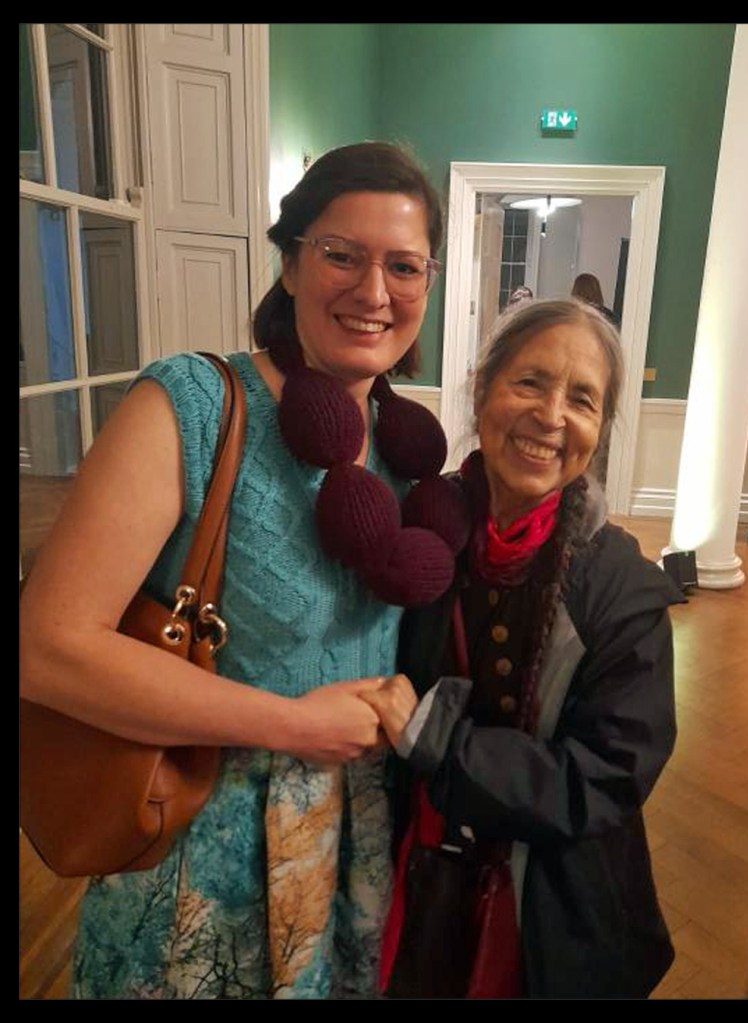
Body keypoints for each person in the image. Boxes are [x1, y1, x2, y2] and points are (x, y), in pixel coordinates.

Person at [19, 140, 460, 999]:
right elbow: (47, 647)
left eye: (404, 266)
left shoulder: (403, 451)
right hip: (199, 853)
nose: (374, 292)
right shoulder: (189, 406)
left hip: (355, 848)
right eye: (342, 255)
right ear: (289, 264)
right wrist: (289, 724)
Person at [362, 299, 685, 999]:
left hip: (547, 911)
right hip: (412, 876)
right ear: (482, 390)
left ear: (599, 430)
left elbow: (605, 777)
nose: (551, 416)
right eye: (530, 382)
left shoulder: (621, 591)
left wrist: (439, 742)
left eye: (582, 400)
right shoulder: (421, 532)